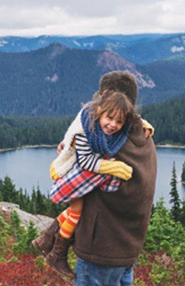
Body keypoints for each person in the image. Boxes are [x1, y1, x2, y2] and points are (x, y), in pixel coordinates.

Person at [32, 72, 154, 279]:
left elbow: (75, 184)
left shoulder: (112, 144)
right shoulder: (141, 136)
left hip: (102, 252)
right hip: (128, 248)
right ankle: (49, 240)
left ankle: (55, 249)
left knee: (75, 206)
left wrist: (69, 161)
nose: (113, 124)